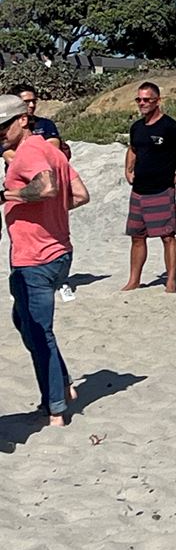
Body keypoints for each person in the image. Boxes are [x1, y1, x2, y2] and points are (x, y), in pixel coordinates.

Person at [0, 94, 90, 428]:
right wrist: (49, 216)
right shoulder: (52, 149)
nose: (0, 133)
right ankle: (63, 384)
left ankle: (55, 409)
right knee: (25, 322)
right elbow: (80, 195)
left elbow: (48, 187)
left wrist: (7, 196)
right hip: (59, 251)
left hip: (35, 257)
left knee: (39, 333)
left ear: (23, 119)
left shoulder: (28, 152)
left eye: (4, 126)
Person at [122, 82, 176, 293]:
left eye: (147, 99)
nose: (142, 103)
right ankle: (134, 280)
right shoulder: (137, 127)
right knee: (137, 237)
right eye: (139, 99)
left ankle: (171, 280)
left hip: (162, 189)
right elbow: (133, 149)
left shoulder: (169, 126)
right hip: (138, 191)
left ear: (158, 101)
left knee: (167, 236)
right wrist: (128, 170)